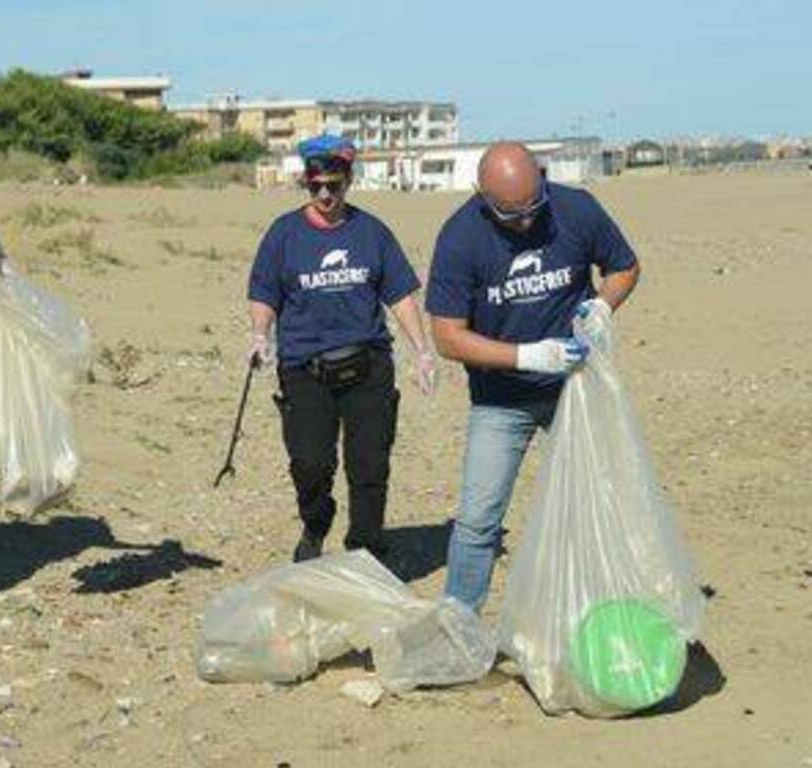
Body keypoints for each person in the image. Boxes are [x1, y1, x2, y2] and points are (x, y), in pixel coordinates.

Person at [426, 141, 640, 611]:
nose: (526, 221)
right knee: (479, 519)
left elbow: (623, 266)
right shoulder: (460, 238)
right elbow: (447, 337)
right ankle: (458, 623)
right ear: (483, 197)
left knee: (600, 501)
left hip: (576, 389)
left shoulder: (576, 208)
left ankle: (607, 610)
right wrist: (526, 356)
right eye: (511, 215)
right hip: (501, 400)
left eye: (533, 208)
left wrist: (603, 304)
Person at [248, 134, 435, 563]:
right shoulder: (283, 235)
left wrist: (422, 350)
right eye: (316, 187)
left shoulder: (372, 232)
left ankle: (365, 549)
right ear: (306, 183)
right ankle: (316, 522)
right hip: (303, 367)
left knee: (369, 465)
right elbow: (263, 292)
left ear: (349, 179)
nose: (326, 195)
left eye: (334, 185)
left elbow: (400, 294)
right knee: (310, 464)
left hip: (367, 364)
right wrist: (260, 334)